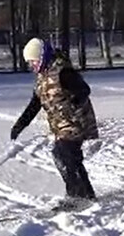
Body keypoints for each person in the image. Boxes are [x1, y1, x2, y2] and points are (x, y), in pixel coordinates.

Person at [10, 37, 99, 209]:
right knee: (69, 158)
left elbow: (84, 89)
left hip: (75, 122)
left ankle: (75, 197)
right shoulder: (42, 78)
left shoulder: (62, 72)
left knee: (63, 155)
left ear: (43, 56)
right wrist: (20, 125)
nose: (33, 67)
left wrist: (76, 99)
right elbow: (35, 104)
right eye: (30, 64)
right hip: (62, 125)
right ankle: (87, 194)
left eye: (34, 62)